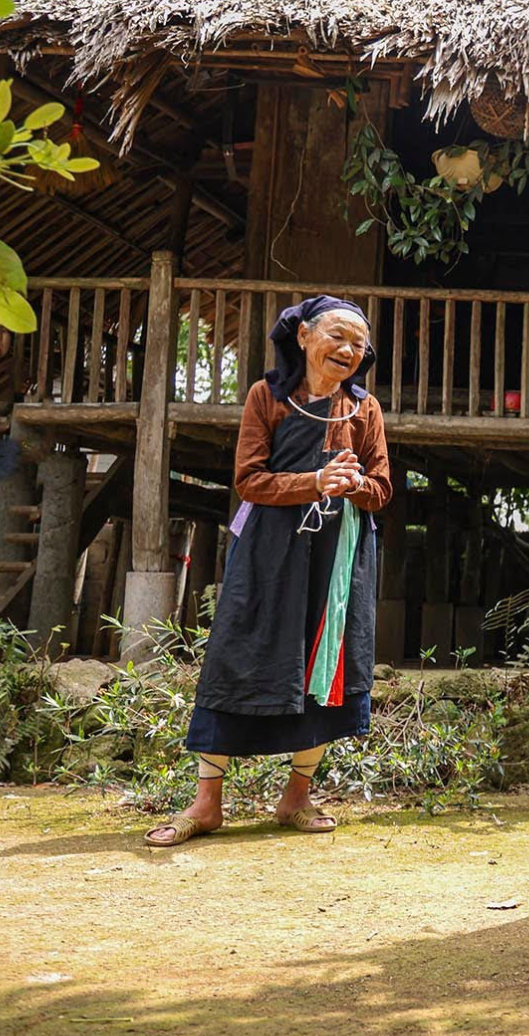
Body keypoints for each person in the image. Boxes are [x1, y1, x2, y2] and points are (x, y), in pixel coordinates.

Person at [145, 296, 392, 847]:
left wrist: (352, 486)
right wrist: (314, 482)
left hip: (338, 557)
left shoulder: (365, 409)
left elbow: (382, 487)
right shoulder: (268, 397)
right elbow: (249, 480)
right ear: (303, 336)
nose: (349, 350)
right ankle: (207, 803)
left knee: (323, 668)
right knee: (239, 657)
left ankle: (296, 796)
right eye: (338, 336)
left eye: (359, 343)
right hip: (268, 552)